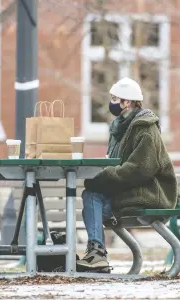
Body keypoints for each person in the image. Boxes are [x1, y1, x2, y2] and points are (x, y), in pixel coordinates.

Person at [77, 77, 178, 273]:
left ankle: (97, 254)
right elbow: (115, 163)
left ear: (128, 102)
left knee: (92, 197)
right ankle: (97, 254)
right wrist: (103, 177)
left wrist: (104, 178)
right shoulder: (118, 128)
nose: (112, 103)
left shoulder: (145, 128)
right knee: (91, 197)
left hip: (149, 194)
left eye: (116, 99)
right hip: (131, 190)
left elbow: (140, 169)